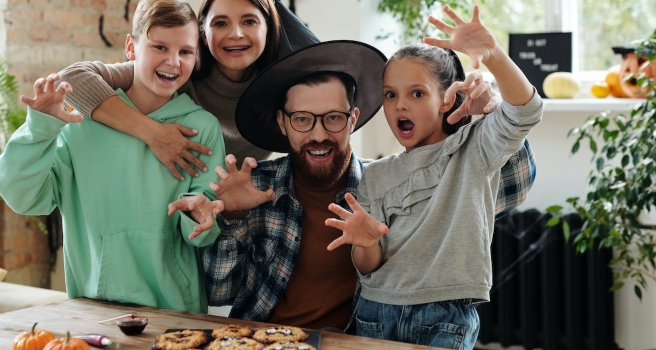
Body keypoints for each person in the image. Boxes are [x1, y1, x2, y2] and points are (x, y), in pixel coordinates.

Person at [196, 38, 533, 331]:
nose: (318, 134)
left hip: (355, 338)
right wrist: (234, 218)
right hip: (265, 339)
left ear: (353, 119)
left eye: (333, 118)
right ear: (282, 123)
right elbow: (219, 292)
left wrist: (490, 110)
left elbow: (515, 183)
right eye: (301, 119)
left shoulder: (385, 183)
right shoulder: (256, 187)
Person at [56, 0, 519, 181]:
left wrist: (486, 96)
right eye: (220, 23)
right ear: (202, 35)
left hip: (267, 181)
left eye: (249, 21)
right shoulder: (182, 68)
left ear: (269, 27)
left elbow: (356, 108)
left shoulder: (291, 78)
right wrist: (152, 133)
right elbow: (74, 81)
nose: (235, 34)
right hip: (184, 181)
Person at [324, 6, 542, 349]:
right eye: (390, 95)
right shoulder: (376, 175)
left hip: (445, 317)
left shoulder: (475, 148)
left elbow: (526, 111)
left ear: (446, 99)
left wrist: (494, 55)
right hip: (375, 312)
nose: (400, 106)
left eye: (417, 93)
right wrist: (364, 243)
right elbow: (369, 267)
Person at [0, 0, 226, 313]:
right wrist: (40, 129)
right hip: (93, 306)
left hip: (175, 310)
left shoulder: (202, 127)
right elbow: (24, 197)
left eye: (185, 51)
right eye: (159, 47)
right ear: (131, 47)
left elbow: (199, 231)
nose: (173, 62)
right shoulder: (80, 123)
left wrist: (202, 218)